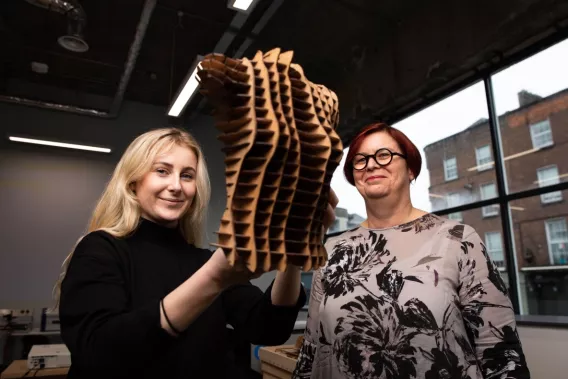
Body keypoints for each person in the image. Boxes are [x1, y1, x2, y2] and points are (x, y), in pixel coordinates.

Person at [56, 127, 333, 379]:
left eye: (187, 175)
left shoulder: (200, 260)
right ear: (132, 182)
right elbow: (99, 353)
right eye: (162, 171)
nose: (176, 186)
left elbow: (267, 328)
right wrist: (212, 279)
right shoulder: (101, 249)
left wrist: (298, 249)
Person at [292, 123, 530, 379]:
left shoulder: (458, 240)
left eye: (384, 155)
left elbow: (502, 352)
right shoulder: (333, 251)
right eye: (360, 161)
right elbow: (312, 349)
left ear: (411, 169)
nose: (371, 165)